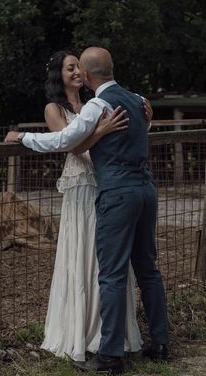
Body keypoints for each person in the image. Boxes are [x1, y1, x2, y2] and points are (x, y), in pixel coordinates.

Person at [5, 47, 169, 374]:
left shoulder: (98, 104)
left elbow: (64, 140)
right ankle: (160, 343)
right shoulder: (137, 99)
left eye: (80, 69)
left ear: (90, 75)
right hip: (146, 191)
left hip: (118, 194)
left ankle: (109, 356)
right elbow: (133, 135)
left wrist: (22, 137)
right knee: (148, 269)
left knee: (110, 274)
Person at [36, 50, 144, 362]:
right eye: (71, 68)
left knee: (107, 259)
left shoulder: (96, 102)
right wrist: (101, 131)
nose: (77, 72)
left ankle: (109, 335)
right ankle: (77, 331)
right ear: (61, 74)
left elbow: (125, 128)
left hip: (107, 184)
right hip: (80, 186)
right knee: (81, 254)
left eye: (79, 67)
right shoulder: (54, 109)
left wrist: (143, 110)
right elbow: (69, 146)